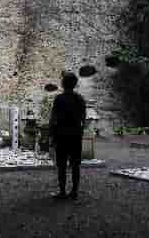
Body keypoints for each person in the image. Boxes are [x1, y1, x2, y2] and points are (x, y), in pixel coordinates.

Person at [49, 71, 86, 200]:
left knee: (62, 165)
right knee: (76, 165)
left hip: (62, 134)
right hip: (75, 134)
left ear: (63, 84)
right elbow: (83, 119)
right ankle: (74, 191)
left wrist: (52, 136)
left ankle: (62, 191)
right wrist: (80, 133)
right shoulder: (80, 99)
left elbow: (53, 119)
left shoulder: (59, 99)